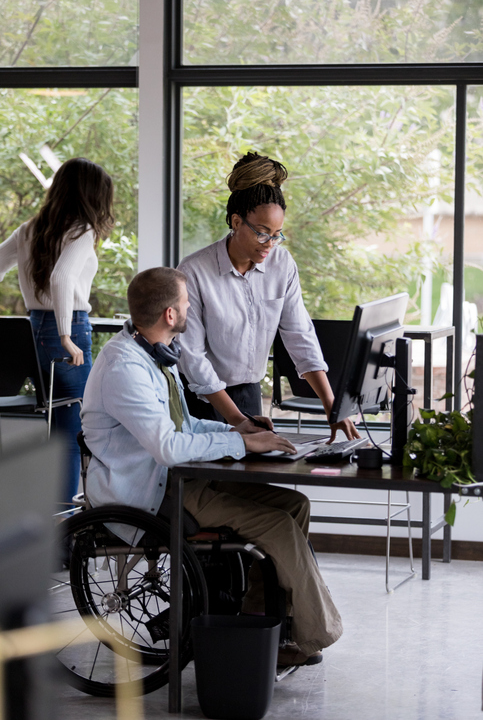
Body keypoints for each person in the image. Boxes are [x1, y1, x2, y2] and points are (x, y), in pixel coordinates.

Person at [81, 267, 343, 666]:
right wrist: (239, 442)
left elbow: (183, 425)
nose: (190, 309)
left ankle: (259, 620)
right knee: (279, 526)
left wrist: (239, 426)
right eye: (186, 303)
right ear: (171, 315)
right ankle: (313, 636)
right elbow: (169, 447)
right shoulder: (125, 369)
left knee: (295, 504)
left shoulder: (154, 354)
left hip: (182, 479)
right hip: (152, 492)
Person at [177, 151, 359, 442]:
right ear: (236, 222)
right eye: (262, 233)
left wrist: (332, 407)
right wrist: (237, 420)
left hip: (249, 394)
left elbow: (300, 337)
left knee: (251, 483)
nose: (270, 244)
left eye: (277, 235)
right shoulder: (194, 271)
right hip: (204, 399)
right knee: (208, 485)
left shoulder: (281, 265)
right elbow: (193, 358)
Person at [0, 157, 114, 504]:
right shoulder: (82, 230)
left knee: (56, 430)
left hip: (33, 332)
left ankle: (51, 519)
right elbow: (62, 278)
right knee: (74, 431)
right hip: (68, 334)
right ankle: (66, 528)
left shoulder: (30, 228)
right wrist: (66, 335)